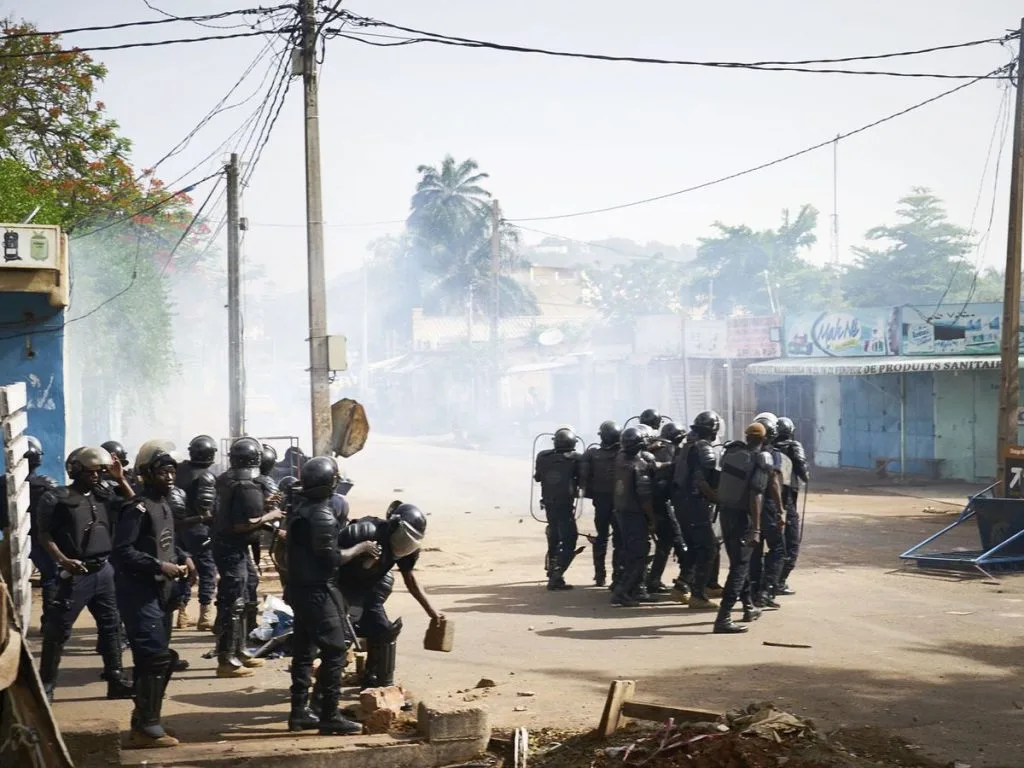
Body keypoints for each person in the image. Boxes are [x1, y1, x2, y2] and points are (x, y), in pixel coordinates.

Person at [111, 439, 196, 749]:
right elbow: (123, 552)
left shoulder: (163, 505)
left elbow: (165, 542)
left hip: (161, 594)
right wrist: (159, 565)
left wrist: (183, 556)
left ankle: (146, 720)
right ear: (147, 474)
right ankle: (146, 727)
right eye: (163, 472)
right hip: (139, 594)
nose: (170, 477)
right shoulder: (136, 508)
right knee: (154, 658)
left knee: (157, 659)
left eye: (172, 471)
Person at [35, 446, 135, 702]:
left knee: (112, 627)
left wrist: (120, 478)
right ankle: (46, 685)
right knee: (58, 630)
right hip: (75, 574)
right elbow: (44, 534)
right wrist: (63, 560)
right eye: (91, 471)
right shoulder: (58, 498)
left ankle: (115, 679)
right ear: (76, 469)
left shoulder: (103, 495)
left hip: (103, 570)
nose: (96, 476)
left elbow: (136, 506)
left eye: (99, 471)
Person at [285, 457, 367, 736]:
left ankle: (299, 713)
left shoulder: (299, 508)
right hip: (317, 590)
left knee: (304, 650)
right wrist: (361, 548)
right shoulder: (320, 514)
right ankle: (329, 715)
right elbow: (331, 558)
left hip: (299, 589)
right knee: (335, 649)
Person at [337, 501, 439, 689]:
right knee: (338, 642)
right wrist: (359, 550)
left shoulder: (408, 550)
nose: (405, 546)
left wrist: (432, 612)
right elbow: (329, 557)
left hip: (368, 589)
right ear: (394, 526)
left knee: (384, 632)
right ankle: (326, 700)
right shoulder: (364, 531)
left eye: (412, 541)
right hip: (340, 587)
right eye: (405, 537)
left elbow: (410, 580)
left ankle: (376, 684)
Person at [213, 437, 283, 678]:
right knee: (235, 602)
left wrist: (262, 504)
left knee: (244, 595)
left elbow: (232, 512)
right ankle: (227, 660)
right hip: (233, 548)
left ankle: (240, 651)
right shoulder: (247, 486)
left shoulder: (224, 480)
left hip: (229, 547)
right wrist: (270, 514)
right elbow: (243, 524)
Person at [713, 423, 774, 634]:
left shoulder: (731, 452)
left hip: (725, 514)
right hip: (743, 518)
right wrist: (756, 529)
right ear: (763, 439)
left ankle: (748, 607)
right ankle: (724, 617)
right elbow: (756, 494)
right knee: (739, 566)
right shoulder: (761, 458)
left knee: (741, 562)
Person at [673, 411, 723, 611]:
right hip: (695, 504)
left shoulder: (687, 447)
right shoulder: (704, 449)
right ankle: (698, 595)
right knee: (708, 548)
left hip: (682, 504)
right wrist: (716, 497)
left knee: (694, 548)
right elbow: (701, 480)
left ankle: (681, 586)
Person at [173, 434, 219, 631]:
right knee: (207, 571)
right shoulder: (206, 476)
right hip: (199, 529)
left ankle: (182, 614)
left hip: (177, 529)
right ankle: (205, 615)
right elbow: (206, 507)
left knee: (184, 571)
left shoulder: (177, 470)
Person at [610, 426, 657, 607]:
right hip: (635, 515)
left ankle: (636, 589)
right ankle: (622, 592)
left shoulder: (620, 459)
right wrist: (652, 519)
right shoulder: (640, 467)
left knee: (630, 552)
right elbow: (645, 499)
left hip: (622, 511)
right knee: (639, 554)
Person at [533, 427, 581, 590]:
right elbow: (583, 479)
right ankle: (556, 575)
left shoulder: (543, 456)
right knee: (569, 539)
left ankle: (552, 569)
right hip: (565, 504)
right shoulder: (575, 458)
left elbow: (538, 477)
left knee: (554, 534)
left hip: (548, 502)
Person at [748, 413, 787, 610]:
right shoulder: (772, 454)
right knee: (778, 550)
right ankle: (766, 591)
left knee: (754, 551)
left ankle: (753, 592)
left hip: (748, 509)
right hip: (768, 509)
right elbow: (773, 482)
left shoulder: (745, 453)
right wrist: (781, 509)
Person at [647, 421, 688, 597]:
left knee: (665, 542)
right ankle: (685, 580)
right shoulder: (672, 451)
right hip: (664, 503)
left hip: (649, 503)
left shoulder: (653, 448)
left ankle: (653, 579)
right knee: (679, 541)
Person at [579, 421, 620, 588]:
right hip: (620, 501)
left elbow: (582, 481)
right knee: (620, 539)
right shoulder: (624, 453)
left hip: (601, 501)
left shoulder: (591, 454)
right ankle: (618, 576)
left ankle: (600, 575)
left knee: (601, 537)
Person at [24, 437, 59, 632]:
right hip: (41, 540)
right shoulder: (47, 484)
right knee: (51, 578)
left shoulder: (4, 484)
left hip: (17, 539)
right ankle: (49, 623)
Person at [774, 417, 810, 596]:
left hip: (766, 503)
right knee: (791, 544)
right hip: (787, 501)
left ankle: (766, 582)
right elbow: (804, 473)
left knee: (773, 544)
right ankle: (778, 582)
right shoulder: (793, 446)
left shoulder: (765, 449)